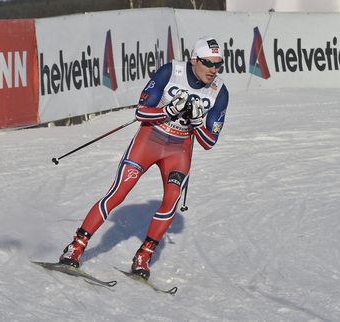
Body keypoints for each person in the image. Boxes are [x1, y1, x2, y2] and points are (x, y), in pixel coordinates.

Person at [58, 36, 229, 280]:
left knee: (170, 201)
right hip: (150, 140)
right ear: (194, 60)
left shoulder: (219, 92)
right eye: (208, 63)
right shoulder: (172, 71)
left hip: (178, 150)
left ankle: (144, 256)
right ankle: (76, 246)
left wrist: (197, 122)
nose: (214, 70)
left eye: (218, 64)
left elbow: (209, 142)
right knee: (119, 192)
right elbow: (141, 111)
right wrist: (168, 110)